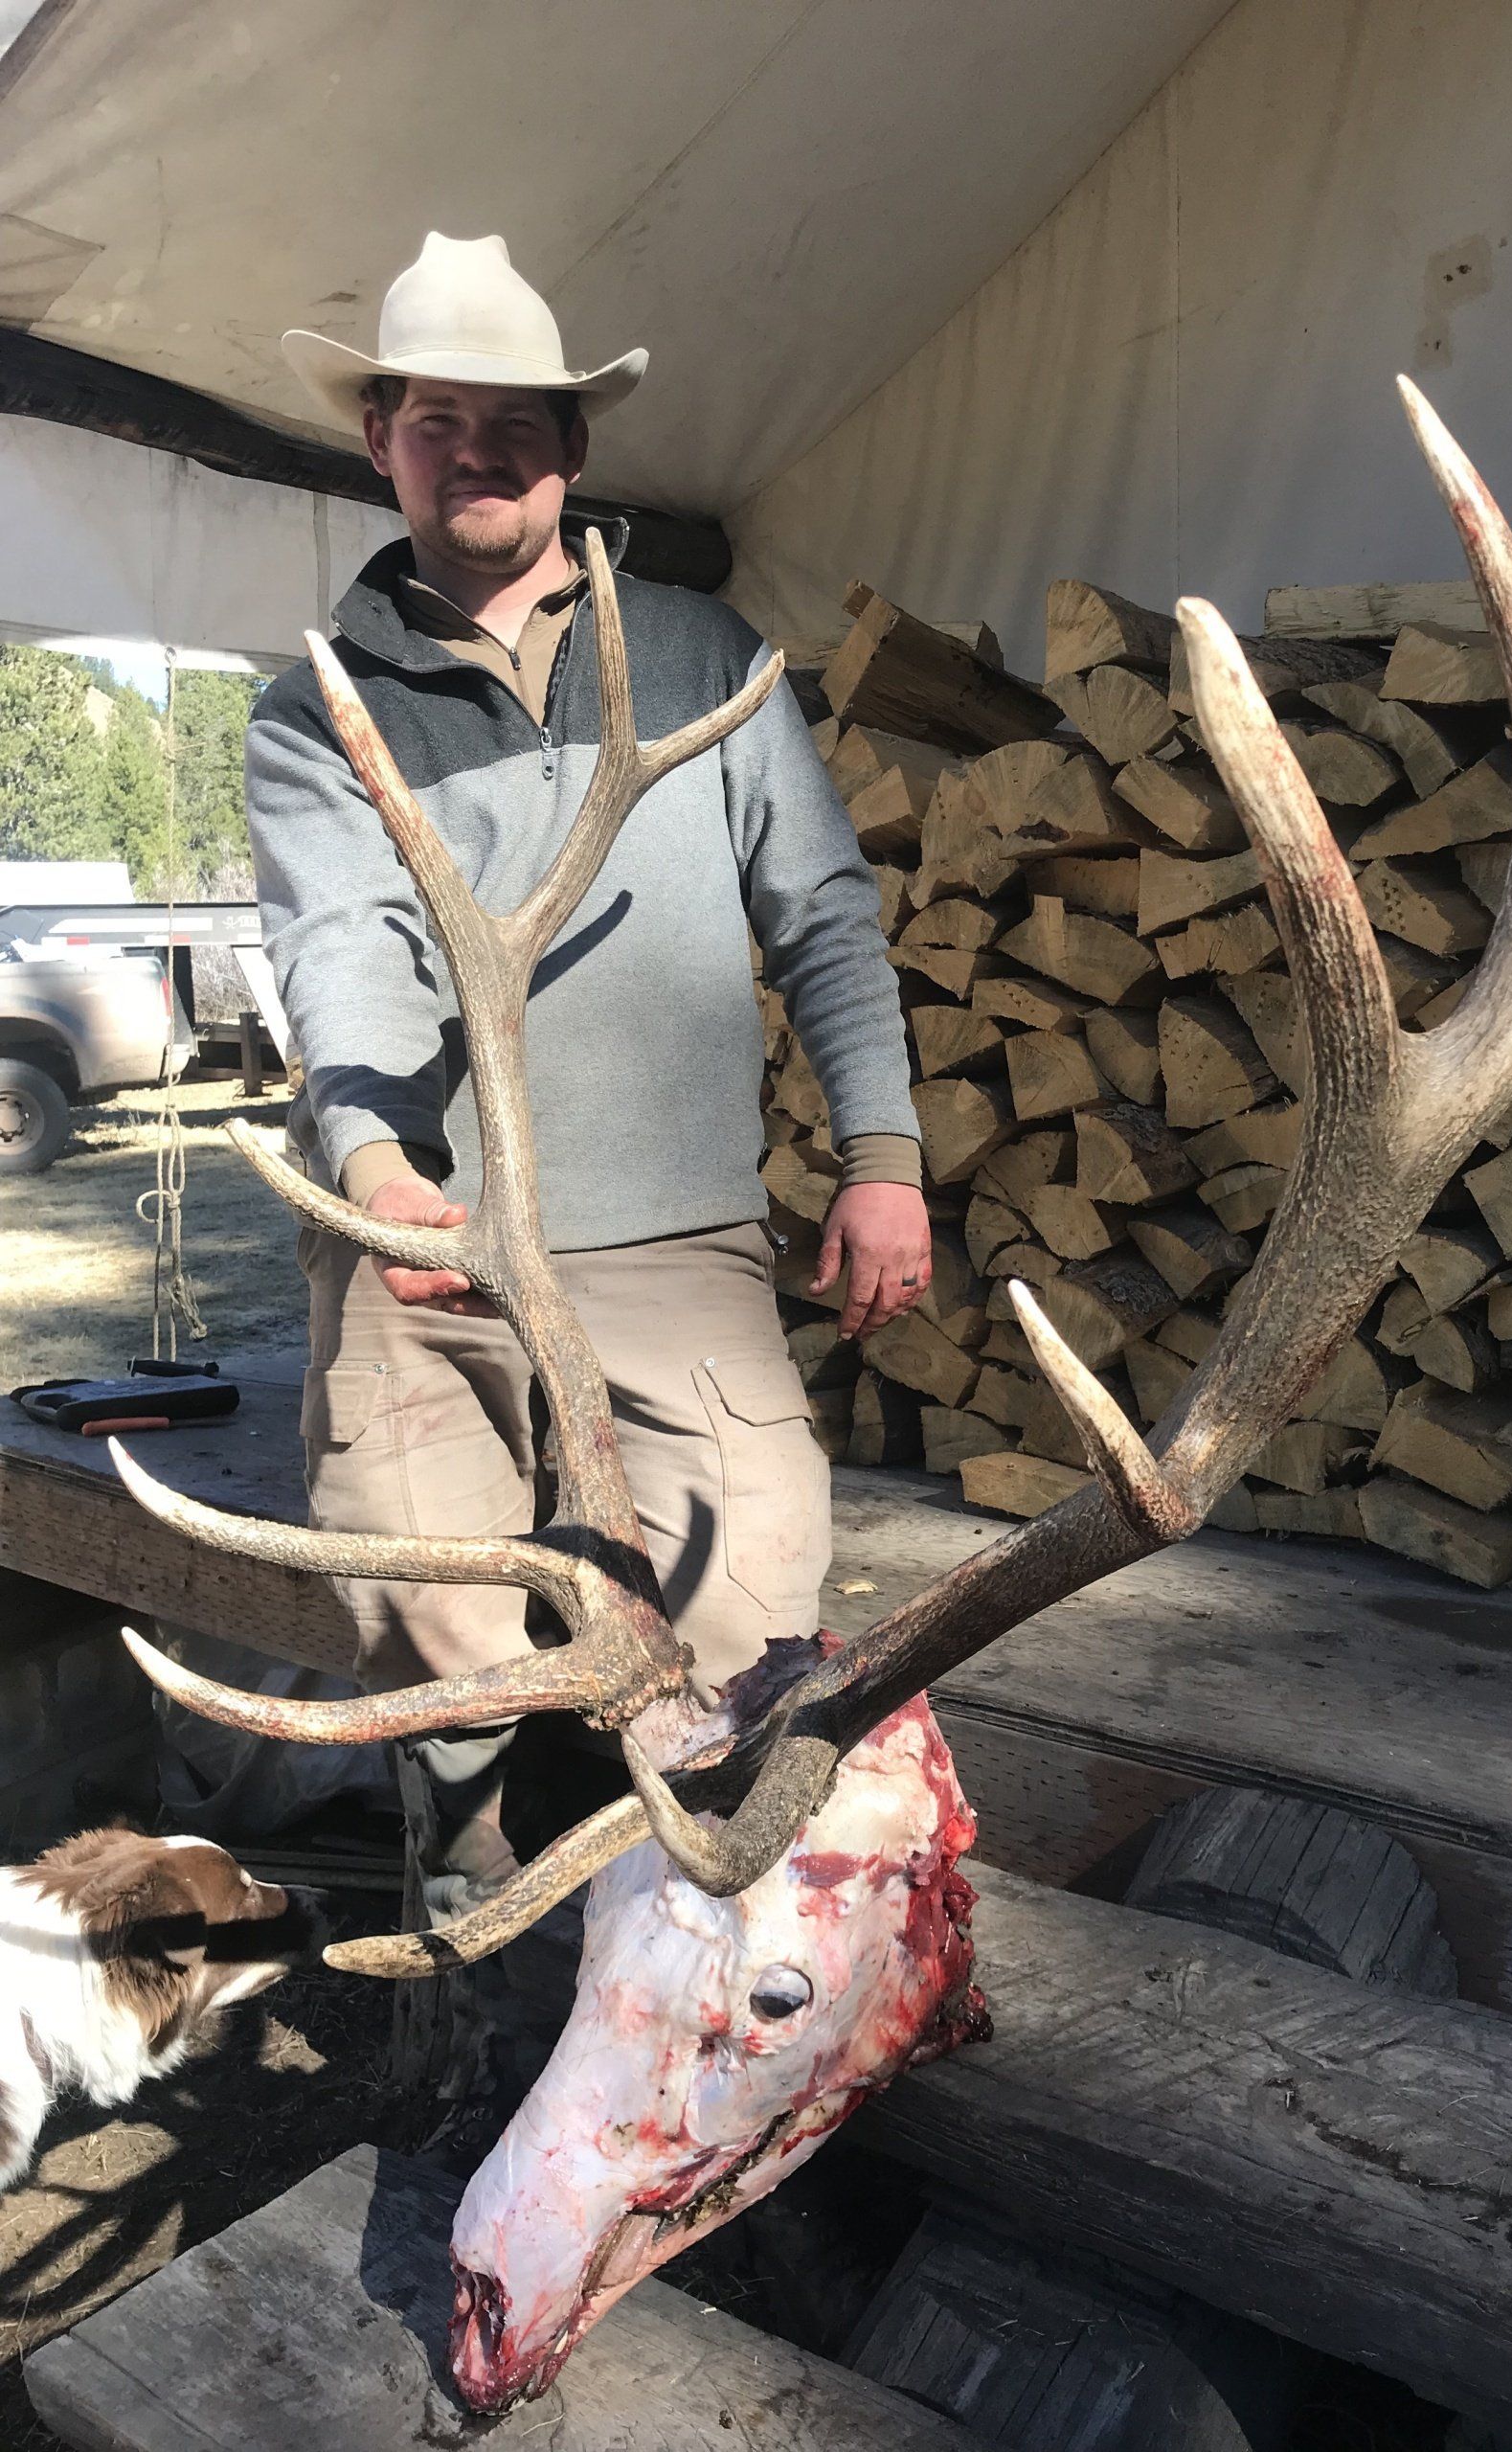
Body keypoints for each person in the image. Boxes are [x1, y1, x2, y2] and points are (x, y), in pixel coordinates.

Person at [246, 234, 929, 2034]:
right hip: (424, 1259)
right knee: (450, 1687)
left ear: (574, 445)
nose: (481, 451)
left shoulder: (706, 657)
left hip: (676, 1258)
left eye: (519, 422)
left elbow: (829, 916)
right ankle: (479, 2025)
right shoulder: (317, 703)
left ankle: (721, 2028)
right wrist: (385, 1164)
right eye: (439, 418)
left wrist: (883, 1155)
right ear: (380, 435)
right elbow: (344, 949)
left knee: (750, 1643)